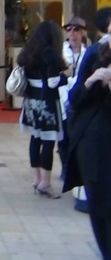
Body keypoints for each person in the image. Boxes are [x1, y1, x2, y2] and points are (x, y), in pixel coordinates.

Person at [64, 7, 111, 260]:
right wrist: (94, 80)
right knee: (100, 205)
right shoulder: (97, 54)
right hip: (94, 142)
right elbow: (76, 98)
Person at [18, 20, 69, 199]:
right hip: (47, 102)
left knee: (35, 138)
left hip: (31, 102)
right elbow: (53, 82)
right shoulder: (51, 53)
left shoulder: (29, 52)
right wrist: (67, 77)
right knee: (48, 141)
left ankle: (37, 177)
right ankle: (46, 182)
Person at [57, 16, 87, 196]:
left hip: (81, 97)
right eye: (69, 30)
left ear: (83, 32)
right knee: (64, 137)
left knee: (77, 135)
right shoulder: (60, 51)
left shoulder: (89, 51)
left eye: (76, 30)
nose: (72, 33)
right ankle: (66, 166)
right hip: (63, 97)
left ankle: (76, 167)